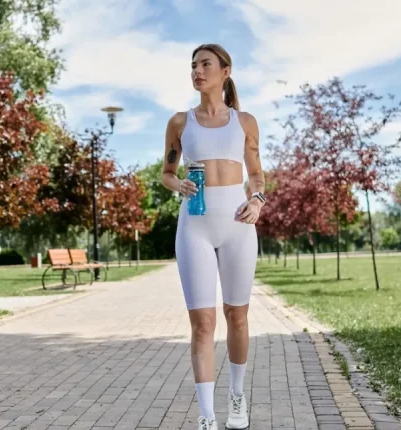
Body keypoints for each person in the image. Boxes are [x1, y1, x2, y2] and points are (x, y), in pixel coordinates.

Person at [161, 43, 266, 430]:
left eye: (205, 64)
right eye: (193, 65)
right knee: (203, 324)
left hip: (238, 225)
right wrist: (179, 185)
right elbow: (166, 173)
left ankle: (237, 396)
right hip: (195, 224)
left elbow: (256, 175)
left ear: (225, 71)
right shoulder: (179, 122)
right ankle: (207, 416)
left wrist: (257, 201)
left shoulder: (245, 122)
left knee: (237, 316)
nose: (197, 71)